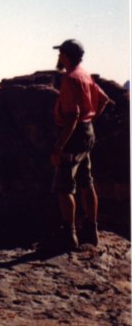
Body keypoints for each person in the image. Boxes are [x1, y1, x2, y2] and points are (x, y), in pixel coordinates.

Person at [50, 39, 110, 250]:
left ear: (65, 55)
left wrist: (59, 147)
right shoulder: (85, 75)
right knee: (86, 181)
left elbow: (72, 116)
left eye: (60, 54)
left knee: (64, 186)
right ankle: (91, 232)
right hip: (87, 134)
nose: (58, 57)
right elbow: (103, 100)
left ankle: (69, 236)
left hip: (73, 137)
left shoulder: (70, 79)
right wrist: (90, 120)